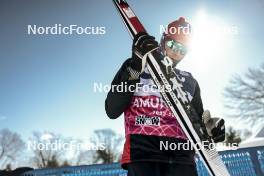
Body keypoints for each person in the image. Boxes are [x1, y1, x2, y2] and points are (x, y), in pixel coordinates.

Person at [105, 17, 225, 176]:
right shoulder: (136, 66)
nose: (176, 52)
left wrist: (212, 128)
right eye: (172, 44)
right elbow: (112, 110)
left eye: (182, 49)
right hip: (143, 154)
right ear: (163, 40)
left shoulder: (190, 81)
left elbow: (198, 121)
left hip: (182, 158)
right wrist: (135, 66)